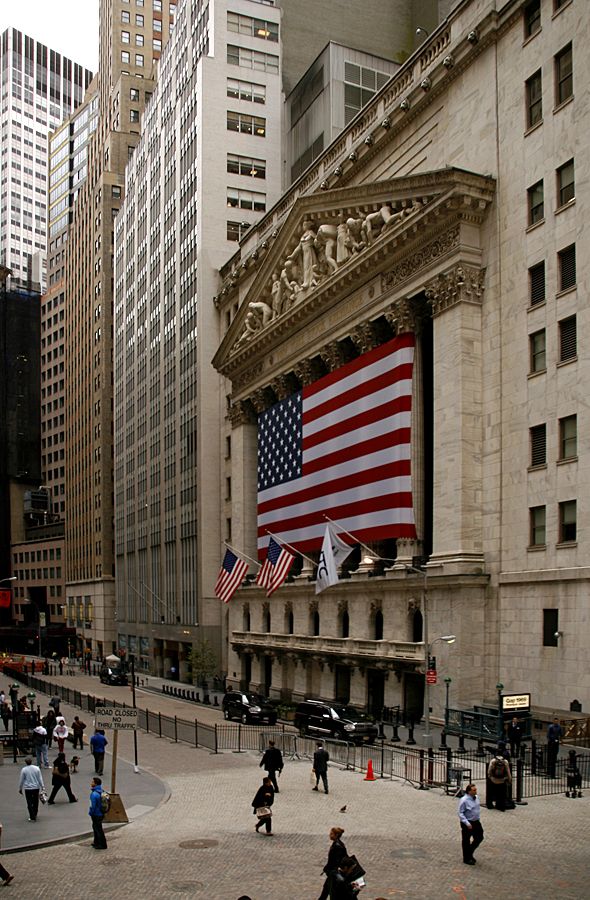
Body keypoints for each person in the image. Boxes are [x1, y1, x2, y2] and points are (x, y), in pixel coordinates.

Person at [458, 783, 484, 865]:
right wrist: (466, 823)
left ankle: (469, 852)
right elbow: (460, 812)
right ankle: (467, 858)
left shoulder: (476, 798)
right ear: (469, 791)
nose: (476, 791)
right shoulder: (464, 800)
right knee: (466, 840)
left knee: (479, 837)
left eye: (476, 789)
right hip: (468, 822)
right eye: (474, 790)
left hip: (476, 821)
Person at [318, 827, 347, 900]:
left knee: (330, 891)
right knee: (326, 889)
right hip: (332, 872)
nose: (329, 835)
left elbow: (335, 861)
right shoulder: (338, 844)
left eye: (331, 834)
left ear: (336, 835)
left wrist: (327, 868)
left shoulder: (337, 846)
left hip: (333, 872)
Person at [18, 756, 45, 822]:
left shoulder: (24, 769)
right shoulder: (36, 768)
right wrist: (43, 787)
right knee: (35, 801)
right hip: (36, 787)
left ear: (26, 762)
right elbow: (40, 778)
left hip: (28, 788)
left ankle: (32, 816)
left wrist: (20, 788)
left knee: (29, 802)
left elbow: (21, 780)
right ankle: (35, 813)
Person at [89, 776, 107, 849]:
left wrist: (91, 812)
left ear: (95, 784)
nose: (91, 783)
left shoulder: (94, 794)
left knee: (98, 829)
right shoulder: (101, 791)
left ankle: (102, 844)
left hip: (96, 814)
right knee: (96, 827)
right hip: (101, 813)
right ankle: (96, 842)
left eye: (92, 782)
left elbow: (93, 806)